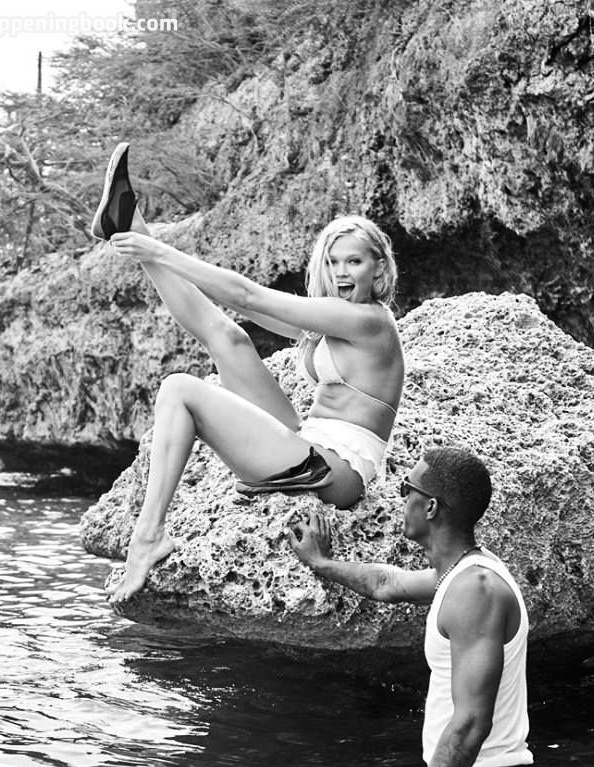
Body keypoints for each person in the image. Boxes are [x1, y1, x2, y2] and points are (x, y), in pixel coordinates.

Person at [90, 143, 405, 602]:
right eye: (332, 261)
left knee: (179, 389)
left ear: (378, 268)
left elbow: (248, 296)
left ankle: (147, 537)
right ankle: (129, 222)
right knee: (228, 337)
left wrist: (162, 249)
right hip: (309, 443)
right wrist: (147, 247)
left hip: (336, 473)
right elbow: (240, 313)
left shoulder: (370, 321)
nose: (341, 272)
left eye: (354, 262)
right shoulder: (335, 318)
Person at [289, 446, 550, 767]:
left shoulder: (475, 590)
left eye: (405, 489)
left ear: (430, 507)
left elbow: (470, 722)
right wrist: (321, 563)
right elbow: (386, 583)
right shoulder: (464, 576)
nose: (400, 499)